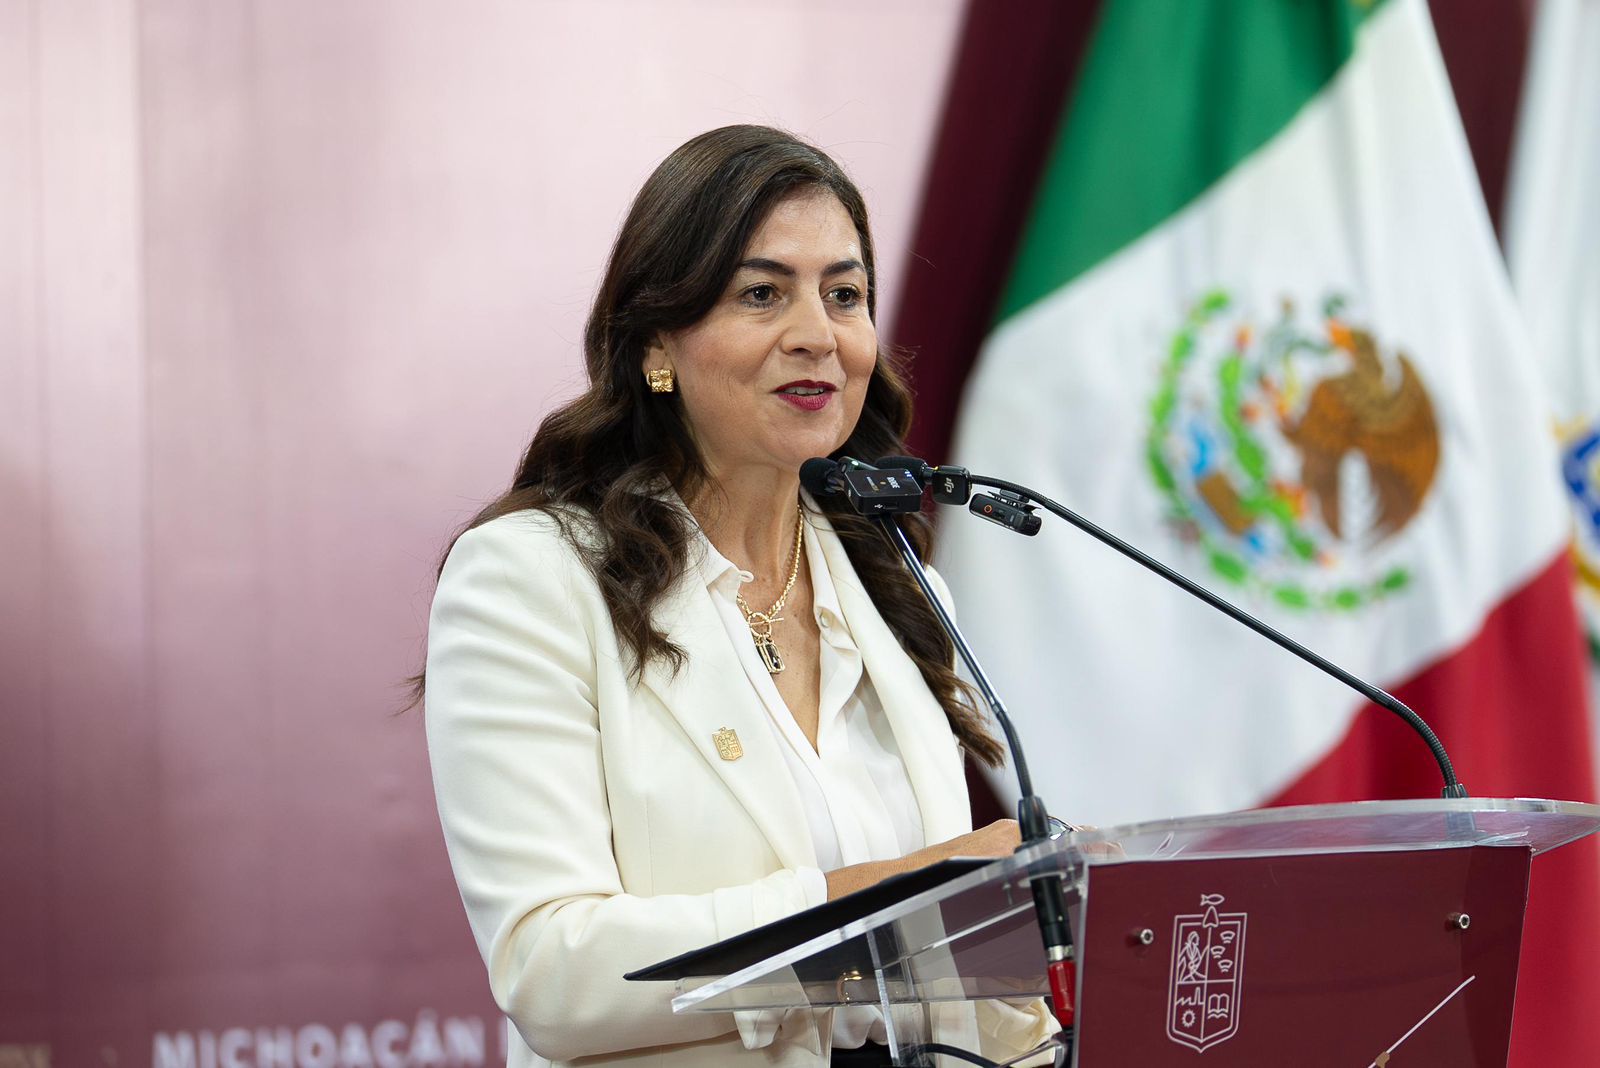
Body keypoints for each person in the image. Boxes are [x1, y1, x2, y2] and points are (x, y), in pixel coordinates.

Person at [421, 125, 1057, 1068]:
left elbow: (959, 981)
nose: (818, 335)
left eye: (844, 295)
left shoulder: (896, 583)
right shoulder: (533, 579)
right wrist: (901, 898)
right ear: (656, 344)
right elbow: (552, 973)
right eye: (763, 294)